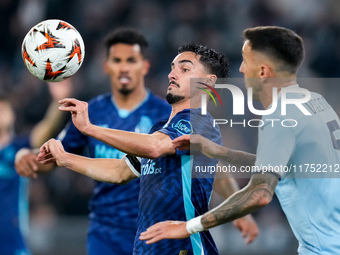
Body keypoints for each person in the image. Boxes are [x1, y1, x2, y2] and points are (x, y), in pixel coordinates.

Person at [36, 42, 259, 254]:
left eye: (184, 69)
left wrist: (90, 128)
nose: (172, 74)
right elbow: (119, 172)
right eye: (173, 68)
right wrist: (65, 159)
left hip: (183, 248)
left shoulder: (199, 122)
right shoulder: (160, 129)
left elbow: (155, 147)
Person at [139, 26, 340, 255]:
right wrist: (220, 152)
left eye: (246, 61)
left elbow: (259, 194)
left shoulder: (280, 117)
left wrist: (188, 226)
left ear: (263, 71)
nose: (242, 70)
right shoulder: (316, 103)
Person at [16, 27, 172, 255]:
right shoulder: (92, 111)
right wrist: (26, 156)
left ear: (145, 66)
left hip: (153, 230)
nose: (124, 67)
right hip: (105, 232)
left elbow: (197, 160)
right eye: (117, 60)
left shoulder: (164, 113)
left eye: (132, 60)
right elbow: (53, 159)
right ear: (106, 66)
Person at [0, 81, 71, 255]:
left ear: (12, 115)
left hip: (12, 239)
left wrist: (58, 102)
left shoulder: (19, 147)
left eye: (3, 109)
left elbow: (46, 128)